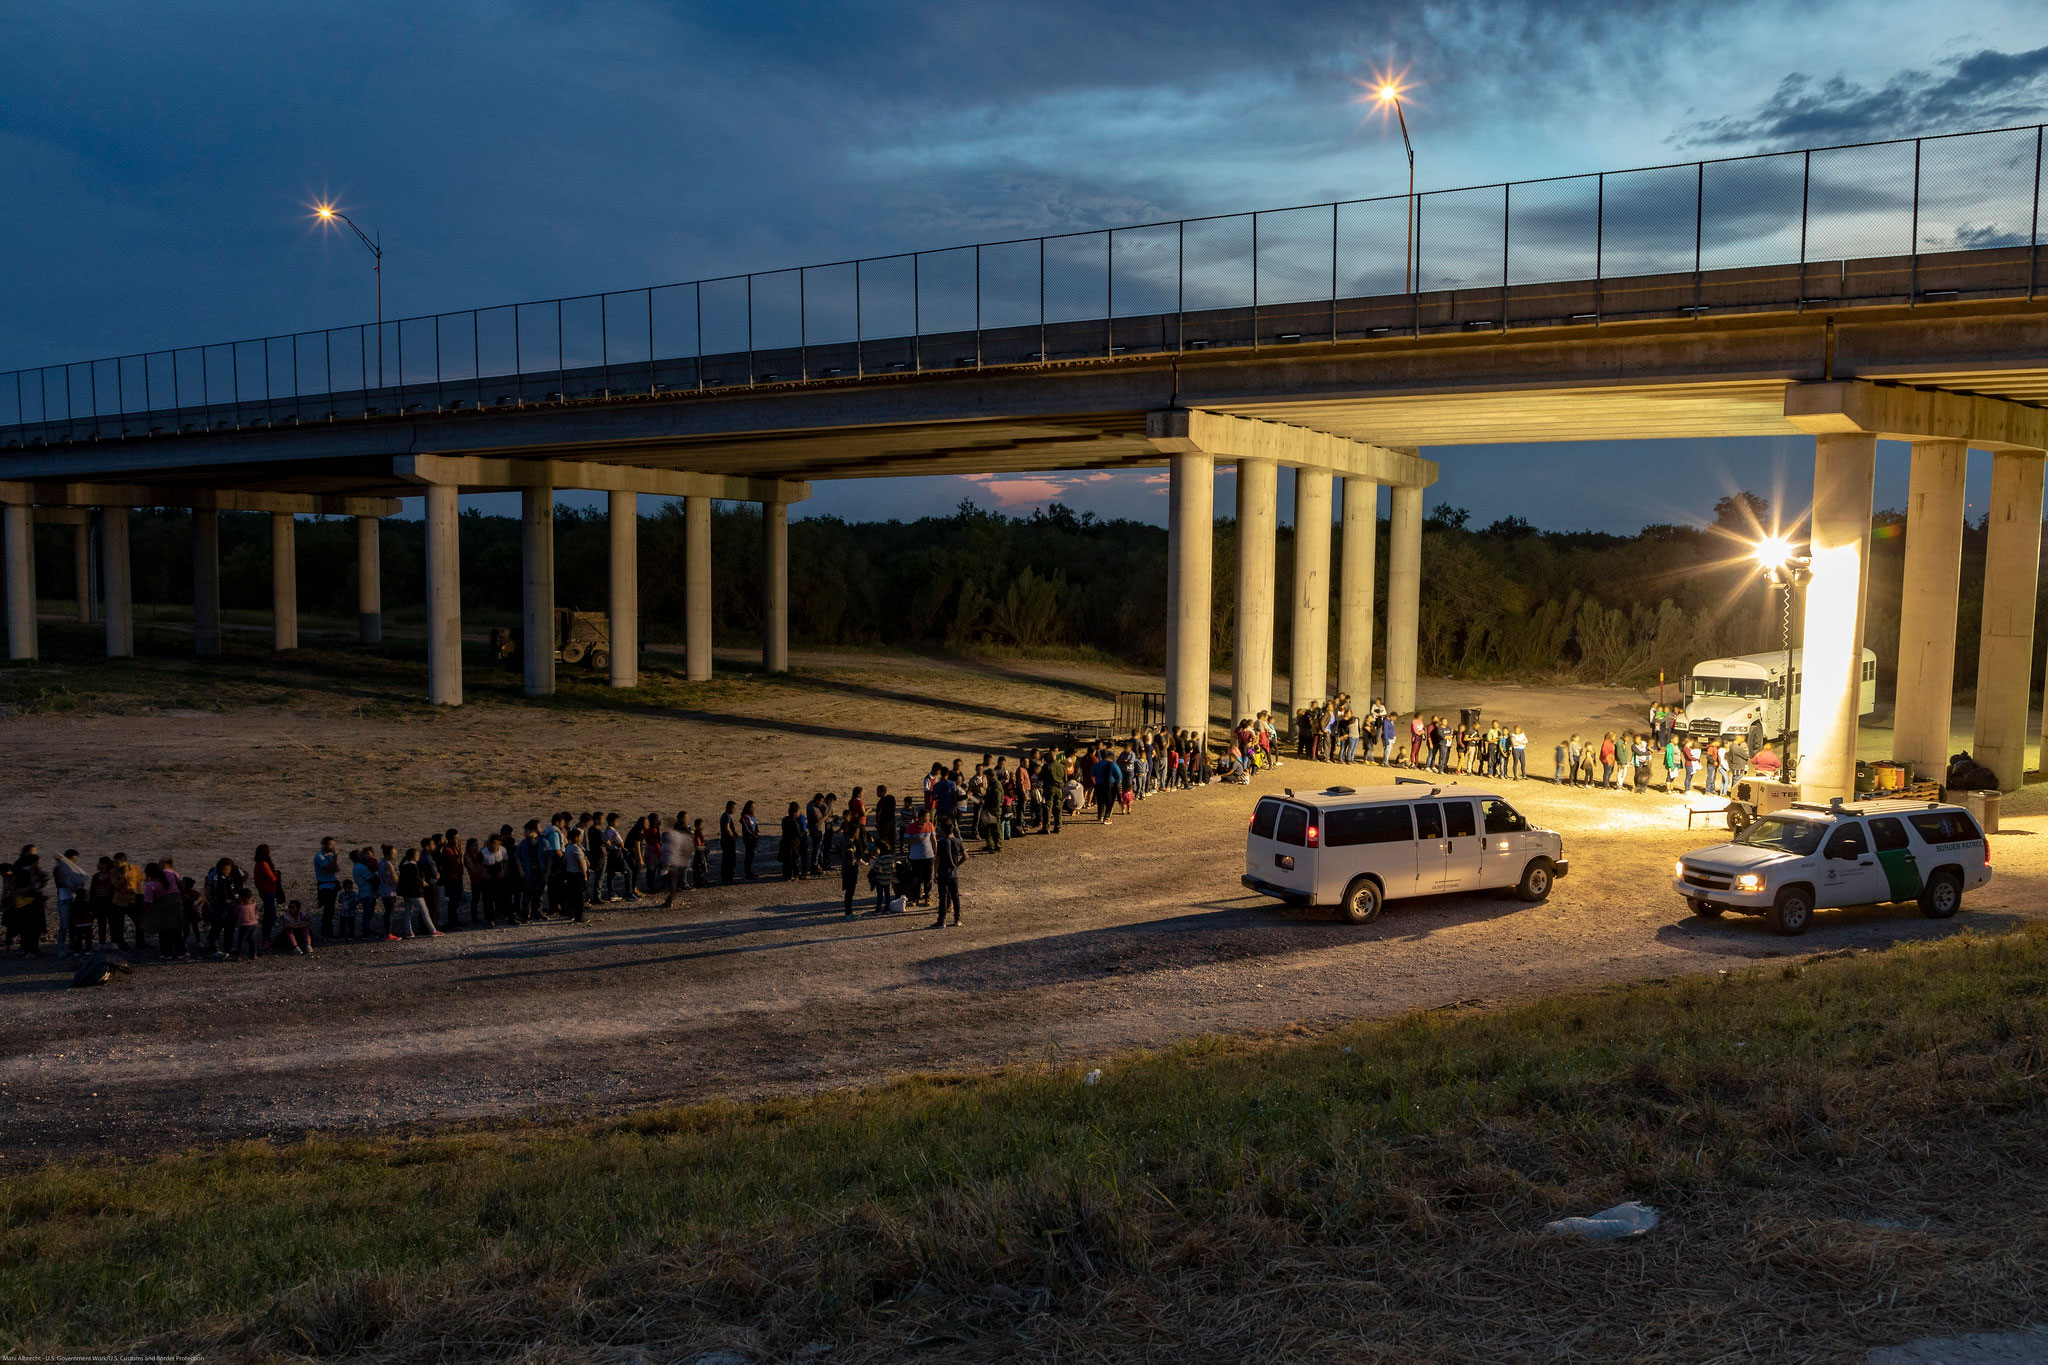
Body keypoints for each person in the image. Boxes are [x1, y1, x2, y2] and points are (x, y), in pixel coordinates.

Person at [52, 848, 87, 958]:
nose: (74, 862)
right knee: (64, 925)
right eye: (72, 860)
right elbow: (63, 881)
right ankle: (61, 948)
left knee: (73, 925)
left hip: (73, 899)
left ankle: (72, 947)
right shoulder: (59, 869)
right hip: (64, 899)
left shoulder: (72, 870)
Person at [931, 817, 965, 928]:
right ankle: (957, 919)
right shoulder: (957, 841)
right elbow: (965, 856)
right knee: (955, 897)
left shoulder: (941, 843)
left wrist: (935, 873)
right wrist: (957, 865)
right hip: (954, 873)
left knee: (943, 897)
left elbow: (938, 860)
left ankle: (941, 921)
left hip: (943, 873)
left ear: (943, 830)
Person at [313, 837, 341, 938]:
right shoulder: (319, 857)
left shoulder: (329, 856)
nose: (333, 847)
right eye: (331, 845)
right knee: (328, 911)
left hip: (331, 885)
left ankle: (329, 933)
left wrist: (334, 858)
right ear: (324, 845)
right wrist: (336, 857)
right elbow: (329, 869)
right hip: (325, 887)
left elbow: (336, 869)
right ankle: (326, 934)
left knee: (330, 911)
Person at [839, 832, 867, 918]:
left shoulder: (845, 841)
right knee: (850, 892)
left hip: (846, 870)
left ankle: (848, 912)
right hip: (850, 871)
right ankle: (849, 913)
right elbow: (850, 858)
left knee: (849, 892)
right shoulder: (850, 845)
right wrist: (855, 862)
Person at [230, 890, 261, 961]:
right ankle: (254, 954)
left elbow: (234, 911)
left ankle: (238, 955)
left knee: (241, 940)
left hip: (244, 925)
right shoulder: (254, 903)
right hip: (254, 923)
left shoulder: (240, 906)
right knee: (252, 939)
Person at [719, 802, 740, 885]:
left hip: (724, 841)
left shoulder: (724, 816)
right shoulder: (727, 816)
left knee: (726, 860)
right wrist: (733, 836)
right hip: (728, 842)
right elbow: (727, 828)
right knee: (730, 860)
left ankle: (725, 878)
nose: (734, 810)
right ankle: (728, 878)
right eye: (733, 808)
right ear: (729, 808)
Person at [740, 801, 761, 879]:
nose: (754, 809)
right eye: (752, 807)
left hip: (752, 838)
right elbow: (747, 829)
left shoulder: (751, 815)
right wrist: (753, 833)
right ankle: (747, 873)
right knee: (748, 856)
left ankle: (749, 872)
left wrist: (755, 832)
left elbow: (754, 825)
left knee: (751, 855)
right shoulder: (745, 817)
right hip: (748, 839)